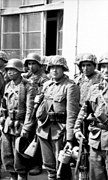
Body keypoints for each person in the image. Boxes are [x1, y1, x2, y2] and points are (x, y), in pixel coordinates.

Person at [35, 55, 80, 180]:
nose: (54, 70)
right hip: (44, 129)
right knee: (49, 164)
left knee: (62, 166)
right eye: (52, 67)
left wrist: (70, 138)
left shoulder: (70, 86)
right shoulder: (47, 85)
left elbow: (72, 115)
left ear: (64, 69)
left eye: (58, 67)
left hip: (60, 131)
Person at [0, 58, 37, 180]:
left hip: (21, 123)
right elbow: (3, 106)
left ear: (19, 71)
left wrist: (27, 127)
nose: (9, 72)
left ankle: (21, 176)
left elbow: (30, 110)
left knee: (20, 154)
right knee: (7, 154)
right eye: (8, 70)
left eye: (13, 70)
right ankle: (12, 176)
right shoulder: (8, 85)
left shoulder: (28, 86)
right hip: (8, 123)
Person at [74, 52, 108, 180]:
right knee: (95, 175)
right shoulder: (95, 88)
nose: (106, 70)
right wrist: (77, 129)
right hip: (95, 139)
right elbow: (84, 109)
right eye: (104, 67)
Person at [22, 53, 49, 176]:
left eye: (33, 64)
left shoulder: (44, 79)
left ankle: (36, 164)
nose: (30, 66)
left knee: (36, 138)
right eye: (29, 64)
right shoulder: (27, 77)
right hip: (27, 109)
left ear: (40, 65)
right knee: (26, 137)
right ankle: (27, 163)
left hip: (37, 110)